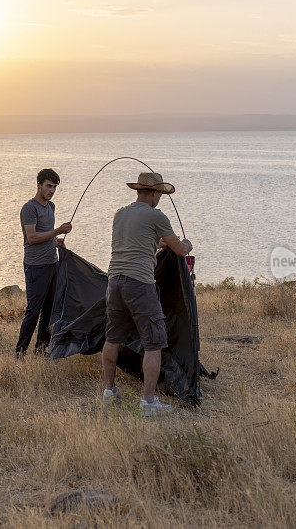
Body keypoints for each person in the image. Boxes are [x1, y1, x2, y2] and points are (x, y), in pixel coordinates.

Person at [101, 171, 192, 416]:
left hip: (114, 281)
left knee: (112, 338)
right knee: (154, 343)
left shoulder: (120, 214)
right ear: (153, 193)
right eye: (159, 194)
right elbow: (179, 250)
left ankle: (109, 391)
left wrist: (158, 243)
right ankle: (149, 402)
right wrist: (187, 245)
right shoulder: (156, 215)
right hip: (139, 283)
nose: (160, 198)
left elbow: (136, 243)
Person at [15, 168, 72, 359]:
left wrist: (57, 242)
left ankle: (41, 350)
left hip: (52, 264)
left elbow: (45, 235)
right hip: (35, 266)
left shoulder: (51, 207)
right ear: (38, 185)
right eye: (49, 186)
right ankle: (20, 353)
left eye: (55, 187)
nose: (52, 190)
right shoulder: (29, 208)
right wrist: (57, 232)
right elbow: (31, 238)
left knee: (50, 310)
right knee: (33, 312)